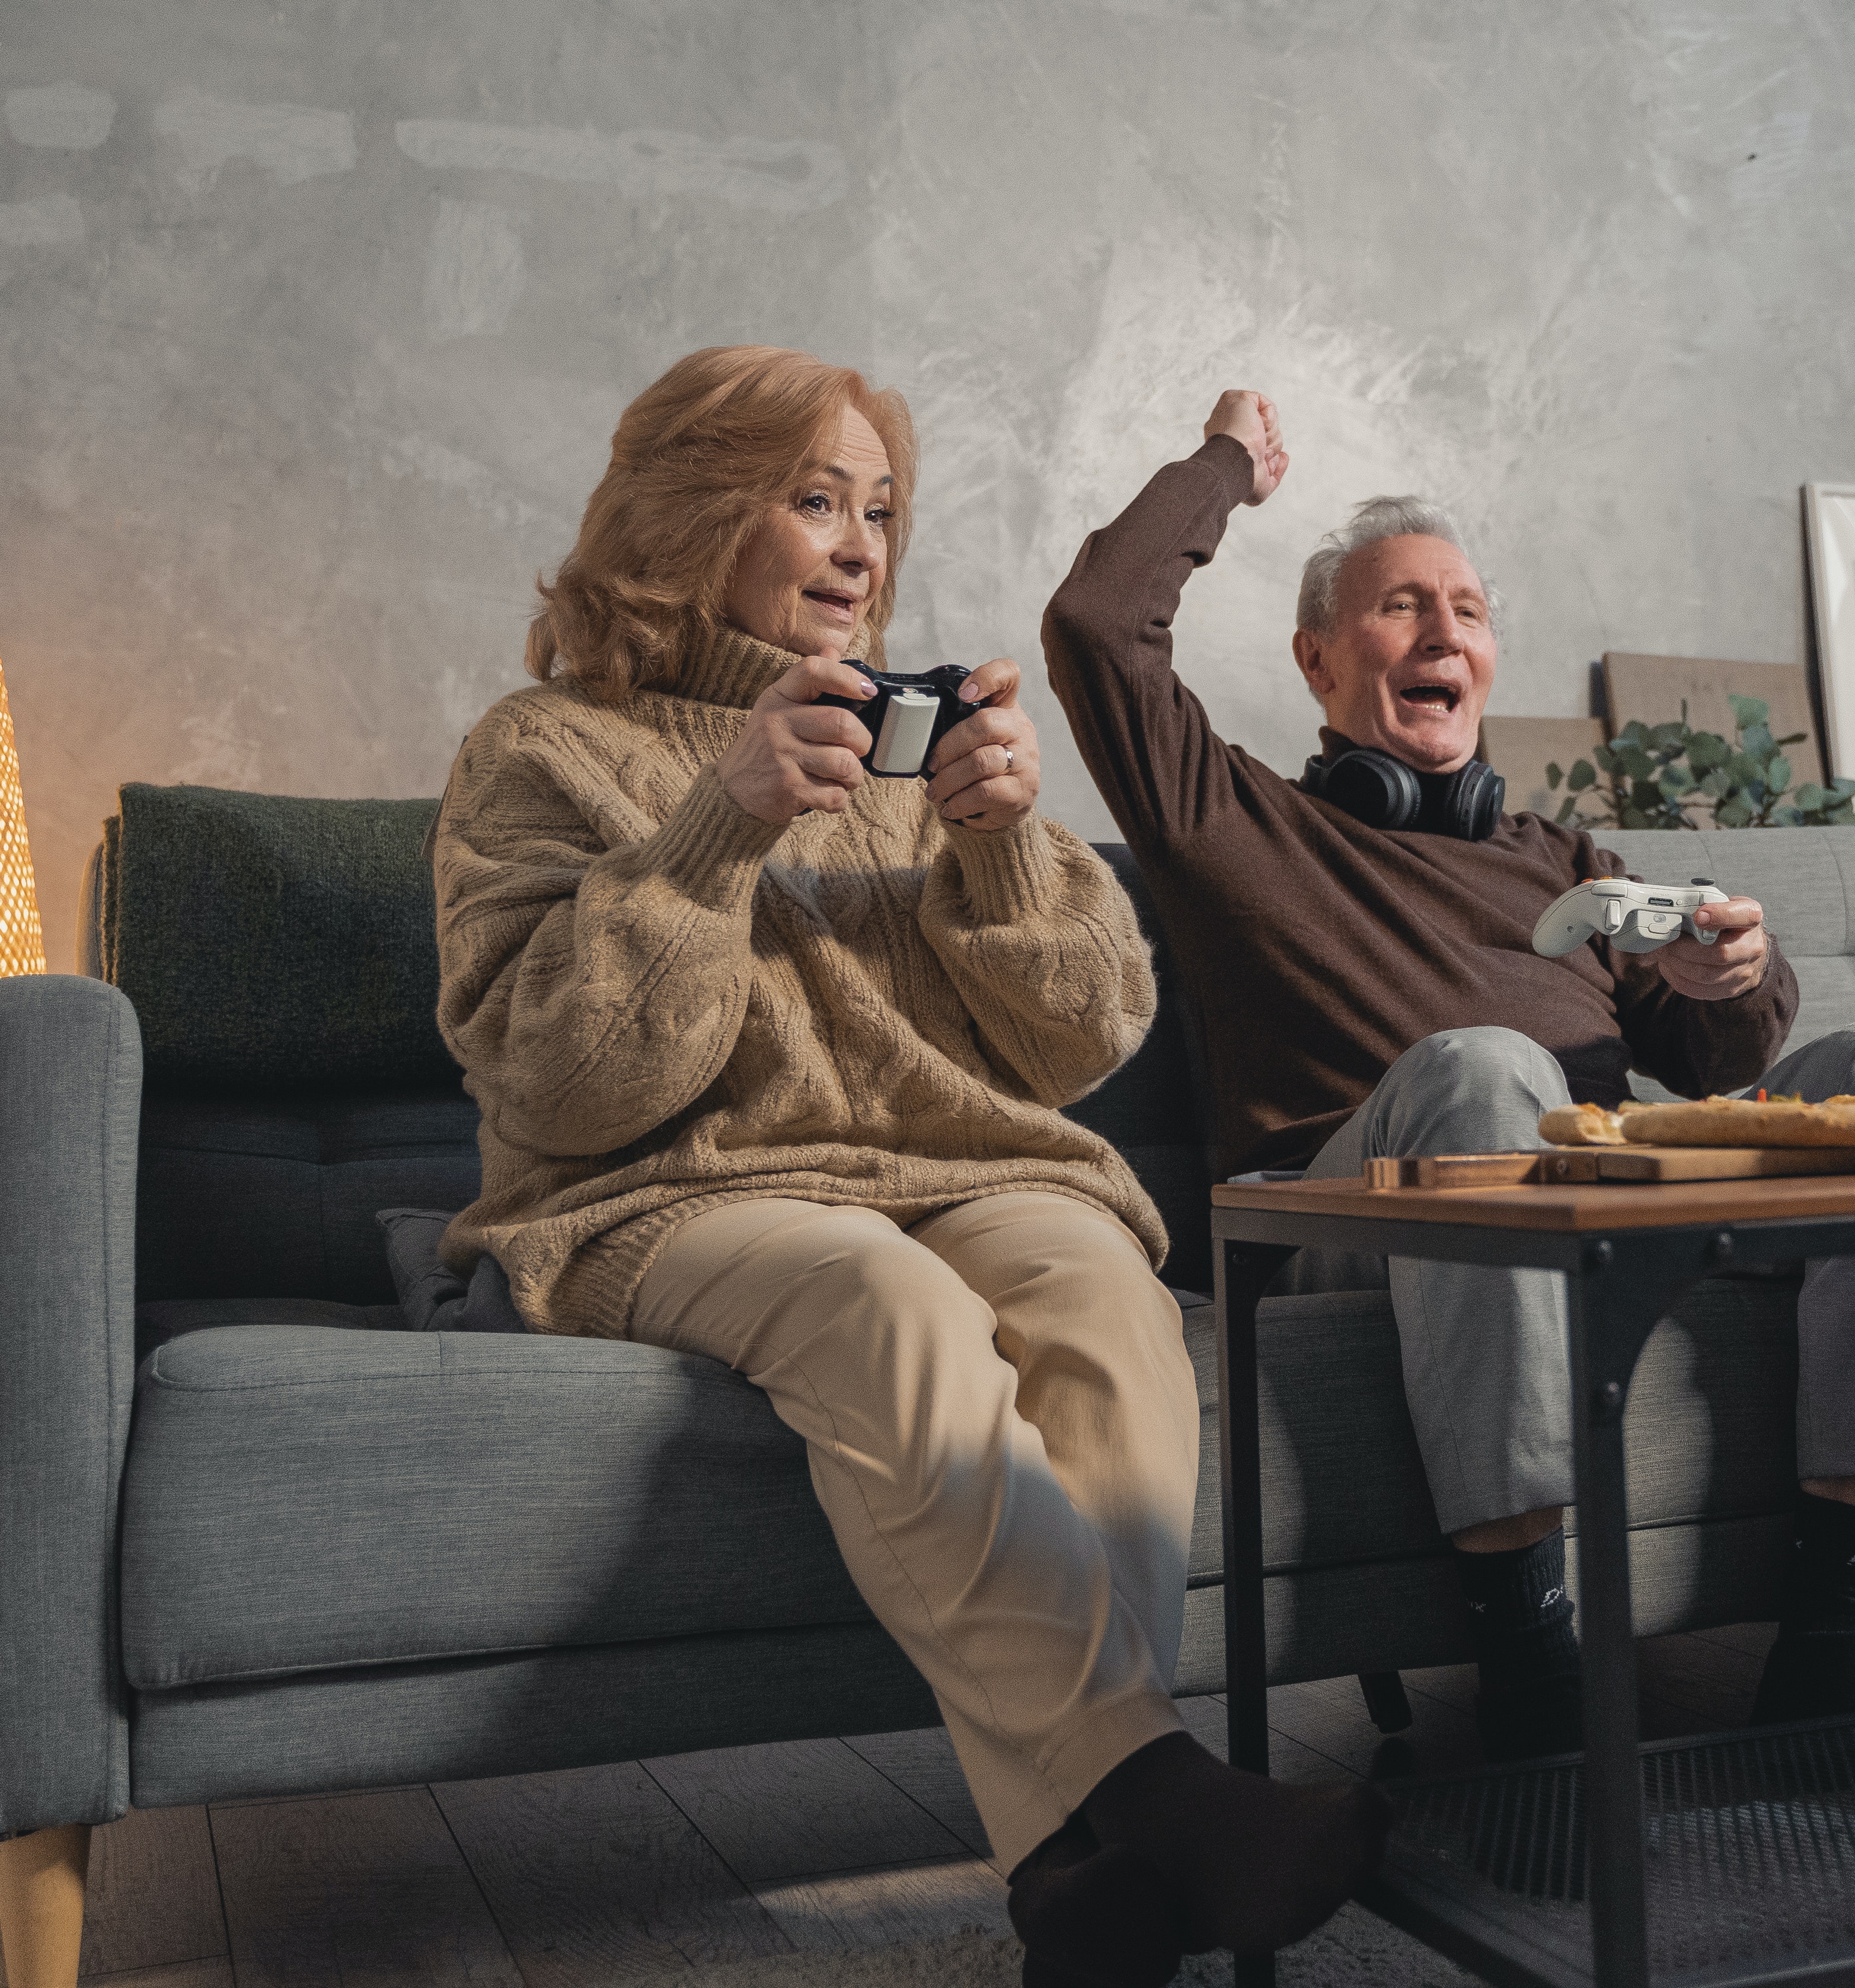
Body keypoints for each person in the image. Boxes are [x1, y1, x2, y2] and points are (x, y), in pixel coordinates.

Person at [432, 346, 1388, 1987]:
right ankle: (1154, 1793)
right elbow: (574, 1082)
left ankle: (1097, 1891)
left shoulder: (905, 750)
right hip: (663, 1197)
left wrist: (1011, 841)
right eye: (816, 498)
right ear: (691, 509)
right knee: (886, 1300)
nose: (865, 544)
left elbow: (1082, 1045)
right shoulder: (541, 751)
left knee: (1106, 1292)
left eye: (880, 507)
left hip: (955, 1170)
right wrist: (720, 820)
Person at [1043, 392, 1855, 1824]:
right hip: (1346, 1214)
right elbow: (1094, 629)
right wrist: (1223, 469)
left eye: (1464, 608)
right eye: (1399, 608)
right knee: (1481, 1066)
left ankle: (1832, 1658)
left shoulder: (1557, 855)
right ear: (1319, 659)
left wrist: (1729, 971)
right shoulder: (1234, 819)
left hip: (1599, 1186)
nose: (1444, 631)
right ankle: (1532, 1693)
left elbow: (1709, 1073)